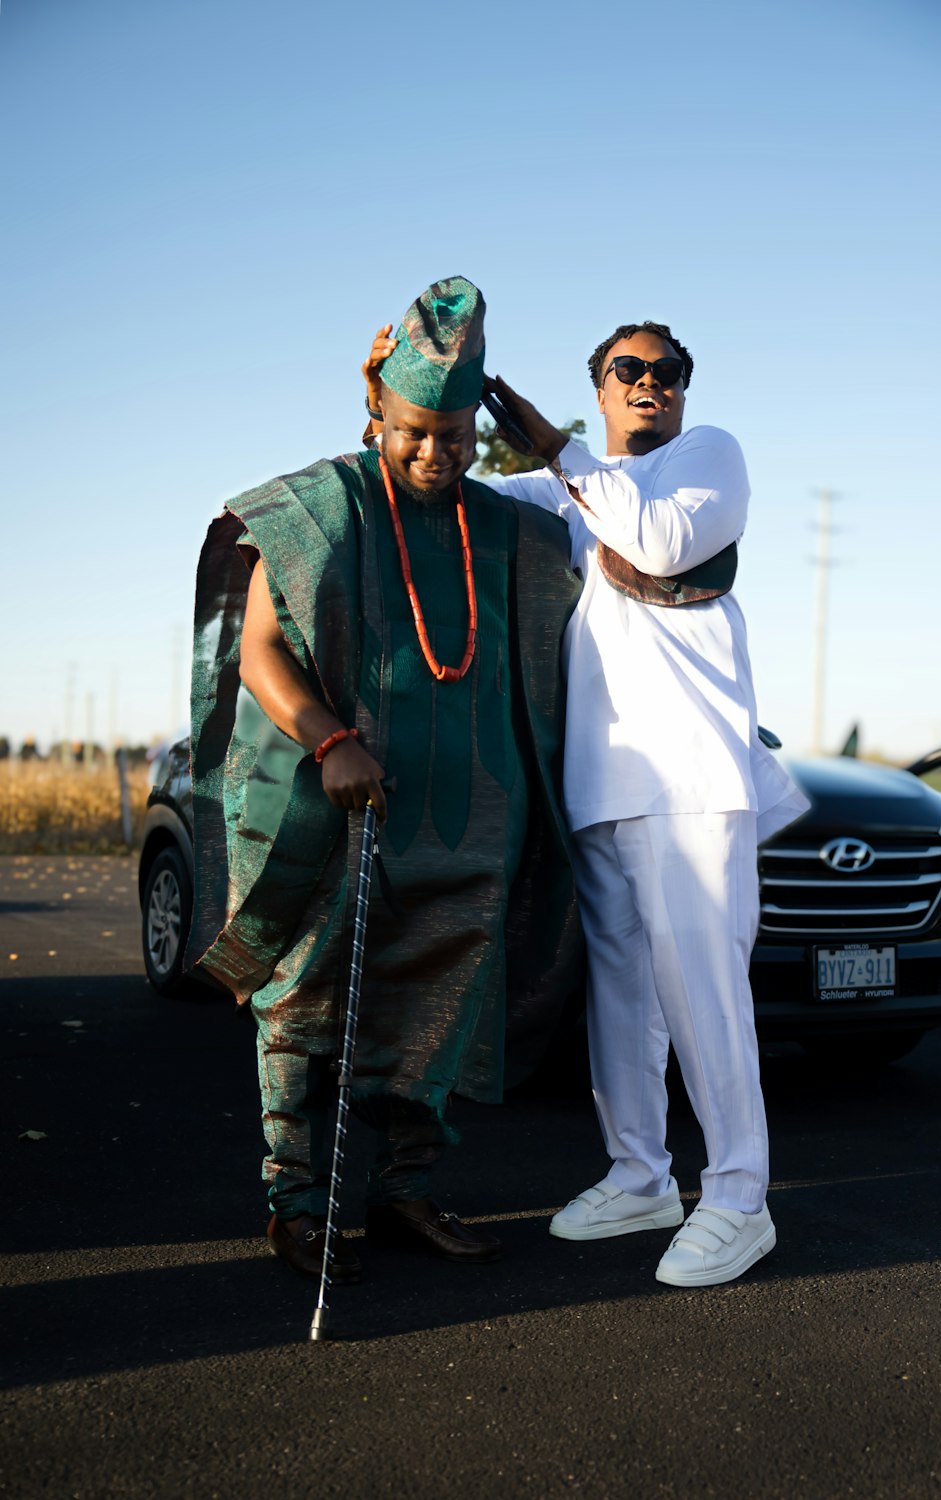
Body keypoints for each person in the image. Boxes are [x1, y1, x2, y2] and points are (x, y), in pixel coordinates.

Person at [362, 315, 809, 1288]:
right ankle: (639, 1174)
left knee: (705, 996)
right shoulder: (568, 492)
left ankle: (738, 1197)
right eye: (628, 370)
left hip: (695, 782)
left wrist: (547, 437)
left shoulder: (706, 460)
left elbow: (658, 535)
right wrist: (401, 397)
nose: (650, 384)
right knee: (621, 998)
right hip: (604, 788)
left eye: (667, 370)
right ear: (600, 385)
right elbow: (442, 499)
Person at [189, 277, 582, 1282]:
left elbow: (635, 562)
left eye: (453, 436)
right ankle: (294, 1206)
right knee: (306, 994)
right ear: (377, 412)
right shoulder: (323, 507)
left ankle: (404, 1192)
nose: (433, 453)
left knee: (438, 1011)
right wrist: (329, 741)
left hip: (470, 813)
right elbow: (261, 653)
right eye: (413, 430)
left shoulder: (510, 529)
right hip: (342, 806)